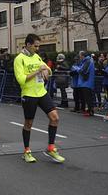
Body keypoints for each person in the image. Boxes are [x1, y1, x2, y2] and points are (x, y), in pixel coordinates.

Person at [14, 34, 65, 163]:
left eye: (38, 46)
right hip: (29, 94)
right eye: (35, 46)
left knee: (55, 117)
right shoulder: (19, 59)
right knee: (29, 123)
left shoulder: (36, 57)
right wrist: (37, 71)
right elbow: (21, 80)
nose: (37, 48)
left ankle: (51, 148)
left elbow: (48, 70)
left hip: (41, 92)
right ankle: (27, 151)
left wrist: (46, 71)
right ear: (28, 44)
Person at [77, 51, 95, 117]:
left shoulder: (87, 61)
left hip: (87, 82)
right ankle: (90, 110)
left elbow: (83, 71)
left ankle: (90, 111)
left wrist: (77, 69)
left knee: (88, 97)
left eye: (80, 56)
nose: (79, 57)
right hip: (87, 82)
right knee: (88, 97)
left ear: (82, 56)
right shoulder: (88, 60)